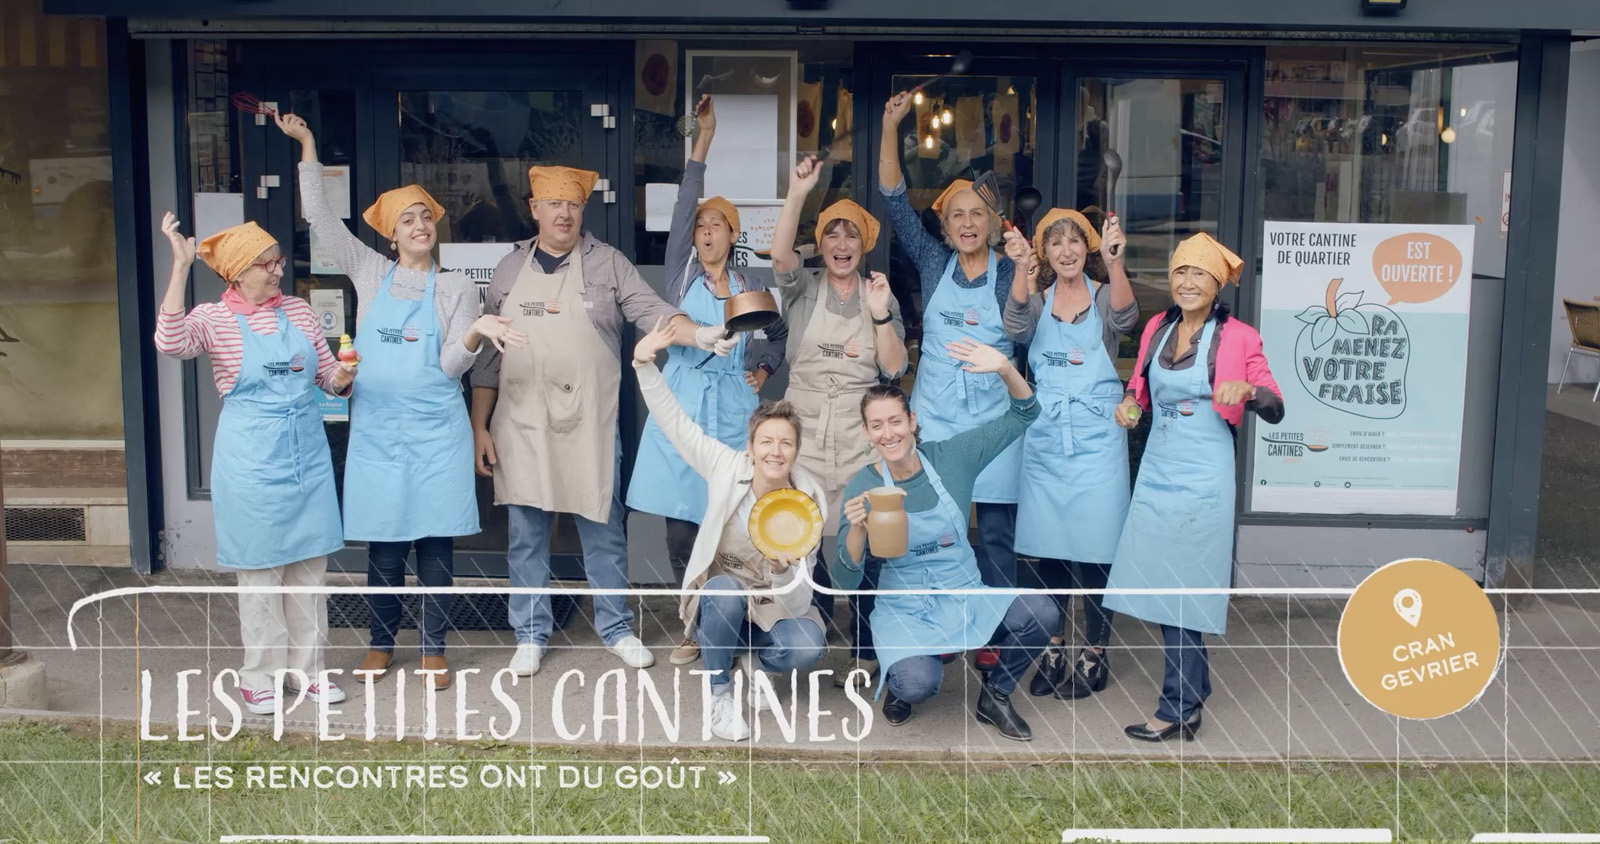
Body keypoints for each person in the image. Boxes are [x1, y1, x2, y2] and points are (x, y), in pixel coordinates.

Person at [279, 113, 527, 690]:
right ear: (391, 235)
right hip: (379, 432)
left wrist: (474, 332)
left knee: (435, 543)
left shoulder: (456, 287)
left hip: (437, 430)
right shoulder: (370, 272)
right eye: (408, 219)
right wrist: (309, 145)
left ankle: (433, 649)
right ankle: (381, 644)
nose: (420, 225)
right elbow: (320, 219)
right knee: (385, 545)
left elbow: (450, 367)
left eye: (426, 217)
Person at [471, 164, 738, 677]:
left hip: (588, 422)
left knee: (603, 529)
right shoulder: (507, 270)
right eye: (554, 204)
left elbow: (655, 311)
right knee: (527, 534)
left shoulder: (608, 263)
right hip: (522, 422)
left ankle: (616, 628)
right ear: (535, 209)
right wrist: (480, 426)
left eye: (572, 205)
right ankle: (530, 634)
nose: (564, 214)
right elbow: (487, 359)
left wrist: (701, 334)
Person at [155, 212, 354, 714]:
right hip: (251, 458)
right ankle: (259, 675)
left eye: (278, 260)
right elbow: (170, 342)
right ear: (237, 273)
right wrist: (179, 269)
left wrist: (344, 377)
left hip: (306, 454)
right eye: (267, 264)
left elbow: (326, 376)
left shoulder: (300, 311)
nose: (278, 270)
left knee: (309, 571)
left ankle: (308, 671)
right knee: (262, 573)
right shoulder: (213, 319)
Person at [625, 96, 790, 667]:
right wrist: (704, 139)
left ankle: (731, 621)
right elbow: (683, 204)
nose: (704, 232)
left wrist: (762, 369)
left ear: (732, 233)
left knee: (731, 521)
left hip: (735, 409)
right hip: (685, 406)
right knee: (681, 525)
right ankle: (692, 625)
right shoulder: (680, 275)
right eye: (700, 226)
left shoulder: (751, 284)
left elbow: (777, 335)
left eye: (715, 224)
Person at [1105, 232, 1284, 742]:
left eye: (1199, 274)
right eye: (1180, 272)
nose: (1187, 282)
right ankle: (1194, 687)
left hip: (1205, 474)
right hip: (1158, 469)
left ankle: (1177, 707)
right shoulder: (1158, 327)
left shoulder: (1240, 337)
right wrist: (1129, 406)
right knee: (1163, 582)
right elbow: (1139, 385)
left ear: (1217, 284)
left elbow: (1276, 406)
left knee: (1184, 588)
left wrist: (1250, 391)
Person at [835, 342, 1058, 742]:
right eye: (877, 425)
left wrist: (1005, 368)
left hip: (964, 595)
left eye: (895, 421)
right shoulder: (862, 486)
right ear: (867, 432)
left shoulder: (953, 458)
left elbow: (1026, 412)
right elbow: (845, 581)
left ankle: (996, 694)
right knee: (917, 682)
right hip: (905, 609)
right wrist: (857, 530)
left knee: (1041, 611)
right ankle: (903, 681)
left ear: (912, 420)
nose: (888, 433)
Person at [632, 317, 825, 741]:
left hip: (773, 607)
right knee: (723, 591)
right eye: (766, 442)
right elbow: (677, 424)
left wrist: (783, 572)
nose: (776, 452)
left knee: (809, 643)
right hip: (721, 603)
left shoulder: (809, 499)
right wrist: (644, 367)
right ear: (750, 447)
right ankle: (720, 694)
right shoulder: (725, 466)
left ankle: (757, 661)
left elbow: (799, 603)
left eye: (786, 443)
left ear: (796, 451)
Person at [769, 153, 908, 679]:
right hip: (803, 431)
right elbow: (780, 254)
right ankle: (817, 627)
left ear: (863, 245)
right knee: (806, 538)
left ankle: (866, 645)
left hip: (858, 433)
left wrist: (880, 314)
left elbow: (893, 367)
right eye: (832, 234)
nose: (842, 244)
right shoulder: (803, 288)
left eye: (851, 235)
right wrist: (798, 193)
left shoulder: (880, 294)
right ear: (821, 244)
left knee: (864, 538)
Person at [878, 92, 1022, 603]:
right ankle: (935, 618)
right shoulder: (934, 262)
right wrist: (891, 128)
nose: (967, 223)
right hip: (937, 418)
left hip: (994, 420)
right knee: (934, 525)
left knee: (997, 535)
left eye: (977, 214)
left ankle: (998, 630)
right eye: (957, 215)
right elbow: (894, 199)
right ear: (945, 226)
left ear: (993, 223)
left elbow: (1026, 333)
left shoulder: (1009, 272)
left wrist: (1026, 268)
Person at [1001, 208, 1137, 700]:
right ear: (1045, 252)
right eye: (1055, 243)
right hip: (1047, 437)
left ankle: (1095, 651)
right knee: (1051, 547)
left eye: (1075, 241)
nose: (1066, 251)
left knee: (1098, 549)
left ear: (1088, 247)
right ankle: (1054, 647)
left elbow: (1127, 319)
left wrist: (1115, 262)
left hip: (1098, 436)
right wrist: (1021, 269)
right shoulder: (1038, 301)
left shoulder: (1102, 296)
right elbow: (1014, 327)